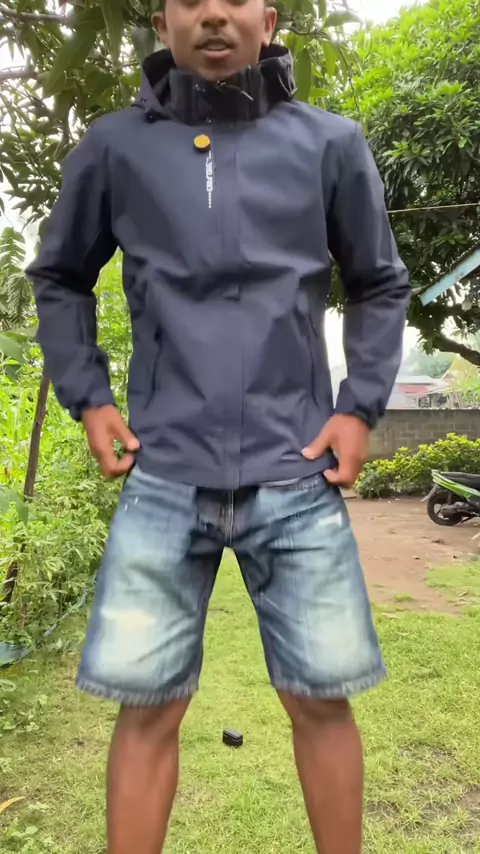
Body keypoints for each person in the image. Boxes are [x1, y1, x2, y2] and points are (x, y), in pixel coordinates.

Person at [28, 0, 410, 850]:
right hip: (164, 468)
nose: (211, 15)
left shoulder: (330, 144)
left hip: (295, 467)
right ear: (161, 22)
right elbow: (60, 276)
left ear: (267, 21)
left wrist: (359, 408)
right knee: (147, 707)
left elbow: (379, 283)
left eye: (233, 0)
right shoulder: (115, 147)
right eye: (189, 1)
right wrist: (89, 396)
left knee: (320, 698)